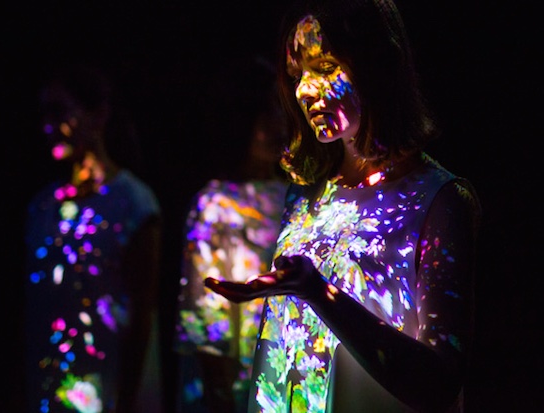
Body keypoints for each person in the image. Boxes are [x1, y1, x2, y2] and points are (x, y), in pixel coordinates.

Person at [204, 1, 482, 412]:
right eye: (299, 74)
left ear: (377, 65)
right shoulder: (305, 196)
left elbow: (438, 382)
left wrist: (318, 292)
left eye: (325, 67)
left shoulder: (439, 201)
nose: (304, 90)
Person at [23, 62, 164, 413]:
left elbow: (141, 312)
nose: (48, 126)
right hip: (50, 389)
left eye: (60, 111)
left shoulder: (133, 202)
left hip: (111, 389)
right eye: (44, 113)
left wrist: (126, 401)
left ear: (98, 115)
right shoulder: (42, 207)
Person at [173, 55, 289, 413]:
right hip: (240, 381)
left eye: (279, 109)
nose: (275, 125)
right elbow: (205, 313)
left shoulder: (298, 193)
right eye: (262, 113)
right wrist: (221, 392)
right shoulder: (216, 204)